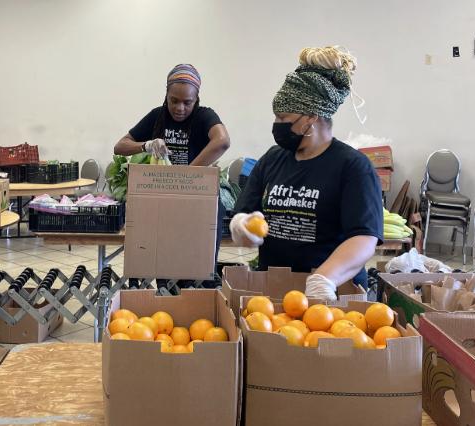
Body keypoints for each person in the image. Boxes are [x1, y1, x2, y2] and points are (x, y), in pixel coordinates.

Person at [231, 46, 383, 300]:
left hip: (334, 291)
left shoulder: (353, 167)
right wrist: (241, 225)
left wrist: (325, 279)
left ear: (311, 117)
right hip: (275, 288)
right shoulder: (273, 158)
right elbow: (244, 211)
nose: (277, 125)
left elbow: (365, 238)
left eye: (283, 117)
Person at [114, 64, 231, 272]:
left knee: (197, 268)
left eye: (188, 102)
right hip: (163, 203)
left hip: (198, 203)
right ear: (166, 95)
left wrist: (185, 178)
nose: (180, 108)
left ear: (197, 100)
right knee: (166, 265)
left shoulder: (204, 117)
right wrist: (146, 145)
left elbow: (222, 141)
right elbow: (120, 146)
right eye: (174, 101)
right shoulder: (157, 116)